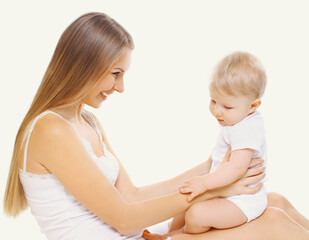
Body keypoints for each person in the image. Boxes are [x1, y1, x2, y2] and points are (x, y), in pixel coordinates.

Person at [3, 12, 309, 240]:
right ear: (86, 66)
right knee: (274, 224)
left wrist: (208, 170)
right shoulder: (51, 130)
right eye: (115, 73)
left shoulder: (89, 122)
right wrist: (217, 188)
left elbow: (132, 196)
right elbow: (123, 219)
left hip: (134, 235)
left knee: (275, 202)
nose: (120, 87)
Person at [143, 52, 268, 239]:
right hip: (224, 192)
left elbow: (237, 167)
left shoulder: (247, 128)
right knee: (185, 198)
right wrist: (203, 183)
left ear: (253, 106)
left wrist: (203, 183)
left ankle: (178, 235)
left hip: (242, 201)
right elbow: (217, 162)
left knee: (196, 214)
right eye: (213, 101)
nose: (217, 111)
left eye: (227, 107)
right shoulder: (235, 121)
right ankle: (169, 229)